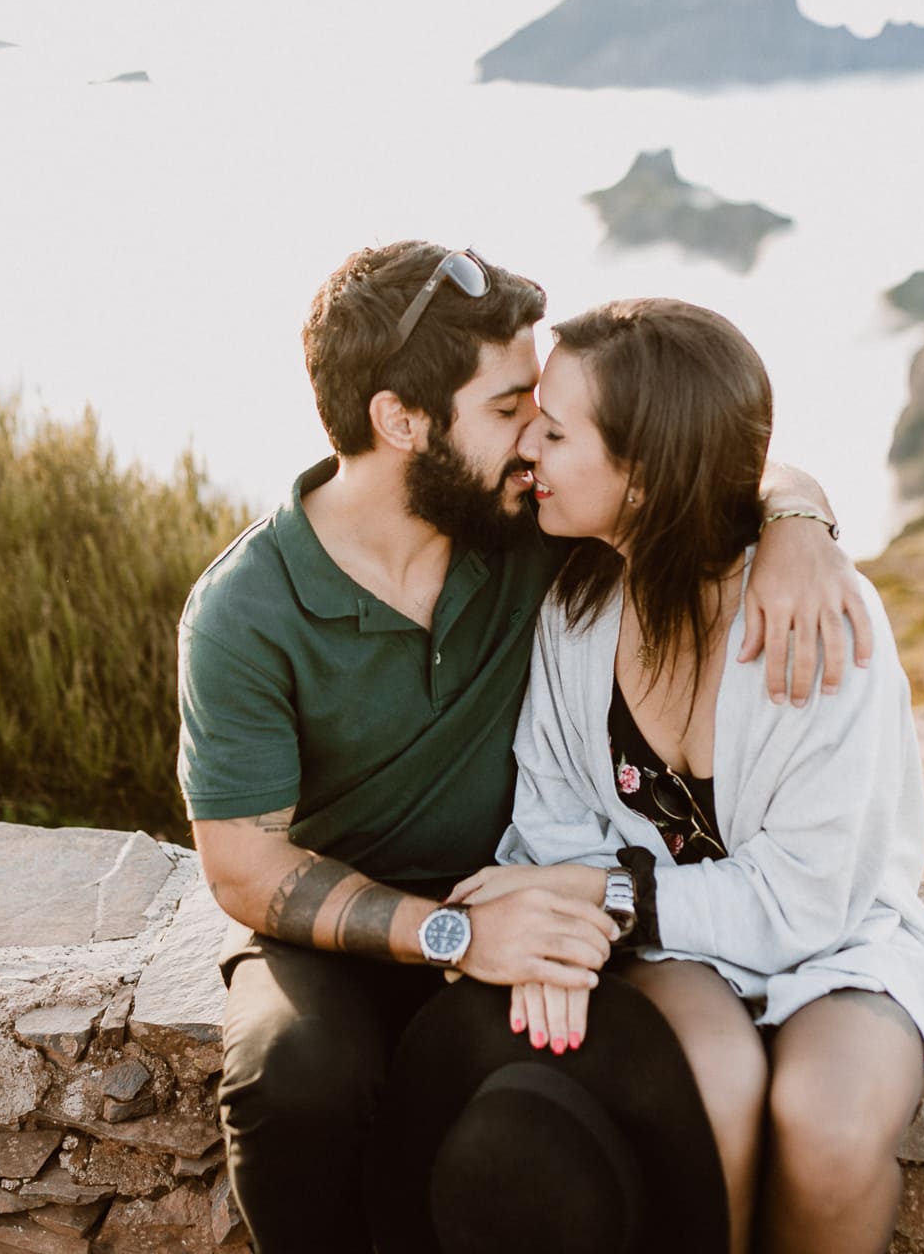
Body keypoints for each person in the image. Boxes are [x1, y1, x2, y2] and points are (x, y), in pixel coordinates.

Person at [177, 243, 872, 1254]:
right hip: (344, 931)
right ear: (401, 420)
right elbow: (242, 865)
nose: (536, 442)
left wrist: (800, 519)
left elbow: (681, 461)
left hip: (526, 889)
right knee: (294, 1075)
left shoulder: (528, 526)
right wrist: (451, 935)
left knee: (590, 1117)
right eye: (511, 410)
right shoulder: (247, 606)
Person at [437, 299, 924, 1254]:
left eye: (558, 428)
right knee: (708, 1085)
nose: (527, 440)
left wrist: (606, 890)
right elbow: (554, 822)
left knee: (828, 1127)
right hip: (667, 945)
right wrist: (573, 924)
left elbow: (811, 897)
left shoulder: (817, 621)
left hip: (836, 941)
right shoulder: (575, 607)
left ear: (648, 478)